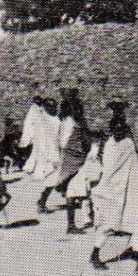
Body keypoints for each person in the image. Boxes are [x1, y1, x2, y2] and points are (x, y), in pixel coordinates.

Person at [90, 114, 138, 274]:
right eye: (114, 130)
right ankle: (95, 255)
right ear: (111, 131)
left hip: (131, 189)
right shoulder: (109, 145)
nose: (118, 132)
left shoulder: (129, 144)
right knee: (109, 223)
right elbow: (107, 168)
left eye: (121, 130)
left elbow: (136, 165)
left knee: (137, 221)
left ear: (125, 130)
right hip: (112, 190)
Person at [39, 95, 91, 223]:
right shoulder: (46, 120)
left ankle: (83, 215)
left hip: (64, 155)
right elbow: (59, 140)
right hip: (58, 155)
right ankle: (42, 201)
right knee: (54, 181)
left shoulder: (62, 120)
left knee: (71, 184)